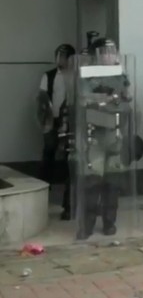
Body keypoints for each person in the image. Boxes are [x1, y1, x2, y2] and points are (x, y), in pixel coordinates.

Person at [75, 38, 135, 239]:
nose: (109, 56)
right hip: (94, 136)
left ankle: (110, 222)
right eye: (104, 52)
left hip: (115, 135)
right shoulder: (87, 76)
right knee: (92, 182)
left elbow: (126, 101)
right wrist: (107, 99)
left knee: (112, 183)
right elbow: (83, 100)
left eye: (112, 51)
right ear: (96, 56)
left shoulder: (120, 77)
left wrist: (111, 99)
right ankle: (87, 224)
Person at [37, 43, 76, 219]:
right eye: (58, 55)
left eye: (63, 56)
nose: (59, 59)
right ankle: (43, 188)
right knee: (49, 150)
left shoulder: (76, 75)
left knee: (69, 156)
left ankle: (68, 201)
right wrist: (46, 120)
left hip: (71, 121)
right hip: (52, 120)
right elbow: (42, 98)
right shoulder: (49, 76)